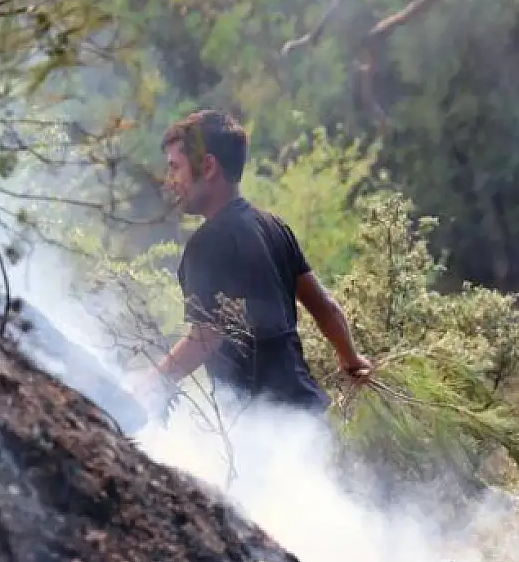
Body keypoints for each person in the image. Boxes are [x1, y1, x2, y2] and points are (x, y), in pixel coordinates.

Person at [137, 109, 372, 419]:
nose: (171, 182)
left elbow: (205, 338)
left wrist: (149, 382)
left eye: (175, 168)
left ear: (208, 167)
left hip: (264, 428)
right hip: (311, 414)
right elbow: (325, 307)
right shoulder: (274, 226)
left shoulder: (206, 244)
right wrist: (352, 361)